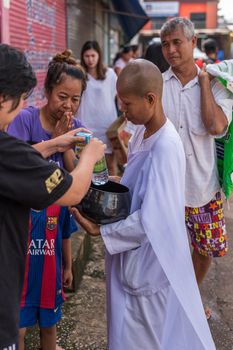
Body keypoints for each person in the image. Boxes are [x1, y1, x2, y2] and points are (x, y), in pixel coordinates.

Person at [72, 59, 216, 350]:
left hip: (148, 263)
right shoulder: (142, 132)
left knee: (141, 340)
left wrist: (103, 233)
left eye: (127, 105)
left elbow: (155, 218)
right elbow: (142, 186)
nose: (122, 111)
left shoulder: (165, 146)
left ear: (151, 99)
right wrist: (117, 180)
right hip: (133, 257)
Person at [0, 43, 105, 350]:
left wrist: (59, 144)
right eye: (20, 101)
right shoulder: (10, 140)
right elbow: (72, 190)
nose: (20, 109)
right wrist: (92, 156)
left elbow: (20, 160)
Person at [160, 17, 233, 319]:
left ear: (193, 42)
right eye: (166, 44)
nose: (171, 50)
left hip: (203, 186)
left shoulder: (217, 84)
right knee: (168, 248)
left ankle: (189, 294)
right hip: (167, 186)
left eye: (177, 42)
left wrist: (203, 82)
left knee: (204, 250)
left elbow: (215, 126)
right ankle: (175, 298)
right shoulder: (157, 85)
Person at [77, 40, 118, 175]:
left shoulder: (110, 74)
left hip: (106, 126)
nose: (90, 59)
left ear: (99, 55)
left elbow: (117, 96)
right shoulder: (79, 75)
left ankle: (113, 195)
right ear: (82, 57)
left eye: (93, 55)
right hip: (86, 126)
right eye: (87, 56)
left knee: (110, 165)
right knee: (86, 166)